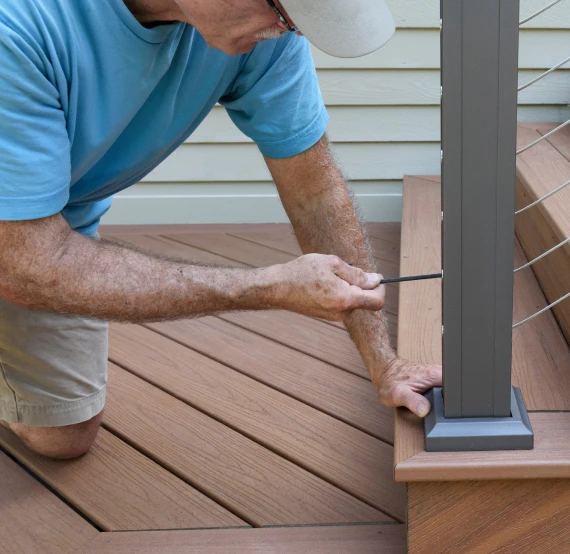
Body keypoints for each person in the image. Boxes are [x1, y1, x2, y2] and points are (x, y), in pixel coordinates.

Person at [0, 0, 441, 459]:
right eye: (285, 13)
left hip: (48, 221)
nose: (290, 31)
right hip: (25, 245)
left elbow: (315, 192)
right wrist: (265, 286)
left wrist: (385, 364)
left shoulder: (271, 34)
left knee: (63, 436)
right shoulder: (18, 29)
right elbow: (28, 266)